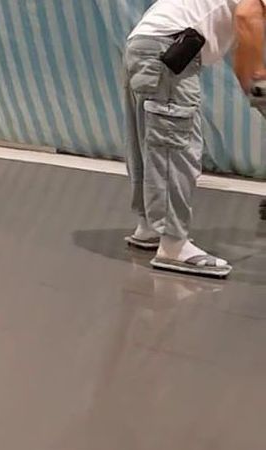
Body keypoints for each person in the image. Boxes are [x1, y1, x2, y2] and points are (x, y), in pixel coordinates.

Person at [122, 0, 266, 278]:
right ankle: (173, 245)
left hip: (146, 45)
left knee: (150, 142)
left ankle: (150, 228)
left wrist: (256, 93)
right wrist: (261, 78)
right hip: (169, 49)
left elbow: (243, 54)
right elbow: (249, 17)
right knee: (175, 148)